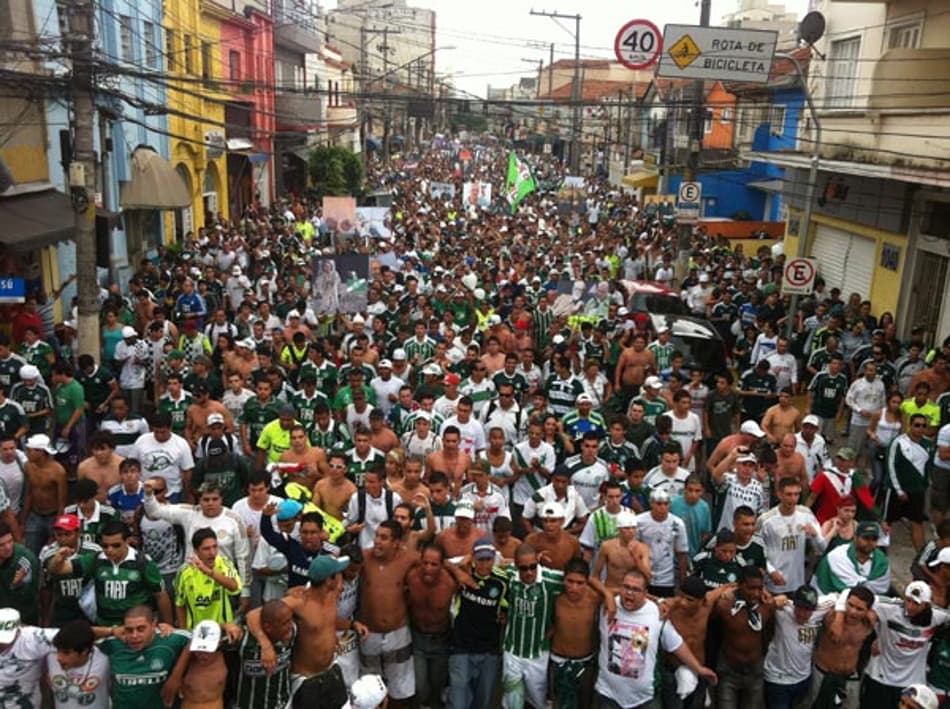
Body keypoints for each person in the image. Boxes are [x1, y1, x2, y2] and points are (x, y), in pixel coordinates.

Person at [247, 555, 367, 709]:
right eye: (338, 574)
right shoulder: (299, 601)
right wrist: (265, 645)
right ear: (328, 580)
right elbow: (252, 615)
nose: (341, 577)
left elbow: (328, 621)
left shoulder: (333, 594)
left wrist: (352, 624)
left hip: (331, 669)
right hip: (306, 679)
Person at [593, 568, 716, 708]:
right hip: (608, 695)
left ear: (645, 593)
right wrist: (608, 595)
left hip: (644, 699)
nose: (629, 593)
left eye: (636, 589)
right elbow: (590, 580)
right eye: (626, 587)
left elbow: (676, 645)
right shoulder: (607, 606)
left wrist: (699, 669)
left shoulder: (656, 614)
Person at [357, 520, 418, 704]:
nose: (377, 541)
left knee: (400, 686)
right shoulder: (363, 558)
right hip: (368, 633)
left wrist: (458, 572)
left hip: (398, 632)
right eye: (376, 536)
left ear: (397, 543)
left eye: (384, 538)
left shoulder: (409, 558)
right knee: (369, 686)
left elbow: (436, 562)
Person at [861, 581, 950, 707]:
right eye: (908, 600)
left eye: (916, 603)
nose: (910, 606)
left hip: (912, 684)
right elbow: (851, 595)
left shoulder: (938, 616)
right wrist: (874, 630)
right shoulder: (890, 607)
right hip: (879, 677)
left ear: (926, 604)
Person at [445, 537, 509, 709]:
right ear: (473, 558)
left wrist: (505, 615)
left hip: (489, 649)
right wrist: (458, 572)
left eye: (489, 559)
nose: (484, 564)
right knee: (458, 703)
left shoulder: (502, 581)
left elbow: (508, 607)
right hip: (461, 647)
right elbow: (442, 560)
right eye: (480, 559)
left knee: (483, 701)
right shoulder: (464, 571)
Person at [501, 543, 564, 709]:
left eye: (533, 567)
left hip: (538, 654)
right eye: (523, 568)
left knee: (538, 702)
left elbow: (577, 581)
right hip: (512, 651)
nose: (529, 572)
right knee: (512, 701)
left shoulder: (550, 580)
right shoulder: (509, 575)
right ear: (516, 565)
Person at [97, 604, 191, 709]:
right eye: (129, 630)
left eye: (141, 629)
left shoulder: (170, 639)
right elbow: (79, 636)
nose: (134, 635)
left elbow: (197, 638)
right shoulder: (113, 644)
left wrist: (176, 676)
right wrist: (110, 630)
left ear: (153, 624)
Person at [713, 566, 774, 709]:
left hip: (755, 670)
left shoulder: (767, 605)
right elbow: (704, 604)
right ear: (740, 585)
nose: (755, 593)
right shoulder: (725, 605)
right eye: (751, 588)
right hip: (729, 670)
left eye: (759, 588)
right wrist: (725, 591)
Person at [405, 543, 456, 709]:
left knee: (438, 684)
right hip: (417, 638)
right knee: (419, 687)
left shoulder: (450, 584)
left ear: (442, 565)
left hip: (441, 641)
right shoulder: (411, 578)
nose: (428, 568)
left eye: (434, 564)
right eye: (425, 563)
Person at [810, 585, 875, 709]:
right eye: (850, 605)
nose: (853, 611)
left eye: (859, 609)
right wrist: (839, 614)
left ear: (868, 610)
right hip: (824, 673)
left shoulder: (869, 622)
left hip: (851, 676)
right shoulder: (830, 616)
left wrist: (877, 641)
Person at [757, 476, 825, 593]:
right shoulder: (766, 520)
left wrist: (815, 536)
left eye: (796, 494)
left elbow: (822, 548)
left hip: (797, 582)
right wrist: (771, 571)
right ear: (779, 494)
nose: (793, 499)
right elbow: (757, 550)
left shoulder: (806, 514)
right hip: (774, 581)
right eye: (789, 494)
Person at [228, 599, 297, 709]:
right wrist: (225, 626)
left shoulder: (292, 633)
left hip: (282, 704)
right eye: (284, 623)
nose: (290, 626)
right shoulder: (243, 639)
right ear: (268, 627)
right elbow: (210, 636)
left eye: (290, 620)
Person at [174, 527, 242, 629]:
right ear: (196, 551)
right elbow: (180, 604)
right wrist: (185, 634)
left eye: (215, 547)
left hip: (223, 630)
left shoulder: (225, 564)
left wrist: (209, 572)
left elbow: (234, 587)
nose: (212, 553)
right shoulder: (184, 572)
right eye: (206, 549)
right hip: (196, 633)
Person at [885, 412, 934, 551]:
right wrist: (898, 489)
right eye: (917, 425)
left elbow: (928, 468)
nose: (920, 428)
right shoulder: (898, 442)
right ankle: (881, 549)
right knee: (888, 522)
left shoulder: (928, 445)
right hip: (897, 490)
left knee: (917, 522)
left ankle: (921, 555)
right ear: (910, 425)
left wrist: (925, 485)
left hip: (917, 491)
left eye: (924, 426)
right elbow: (891, 466)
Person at [46, 619, 112, 709]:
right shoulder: (49, 654)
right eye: (58, 651)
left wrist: (112, 631)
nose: (59, 658)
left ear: (84, 651)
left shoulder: (105, 658)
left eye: (66, 653)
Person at [635, 488, 688, 597]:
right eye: (659, 504)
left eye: (666, 503)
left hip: (667, 578)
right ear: (651, 503)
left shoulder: (678, 523)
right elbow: (634, 550)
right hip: (643, 575)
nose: (663, 507)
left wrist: (683, 582)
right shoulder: (639, 521)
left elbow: (682, 554)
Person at [22, 432, 68, 556]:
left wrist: (57, 527)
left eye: (30, 451)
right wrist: (23, 520)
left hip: (52, 516)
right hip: (35, 514)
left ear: (41, 452)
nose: (26, 453)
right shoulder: (28, 467)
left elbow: (62, 502)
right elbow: (29, 493)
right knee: (30, 553)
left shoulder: (58, 471)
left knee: (51, 553)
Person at [0, 520, 40, 624]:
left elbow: (29, 597)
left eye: (10, 541)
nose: (8, 547)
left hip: (22, 618)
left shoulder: (25, 560)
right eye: (1, 545)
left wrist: (17, 586)